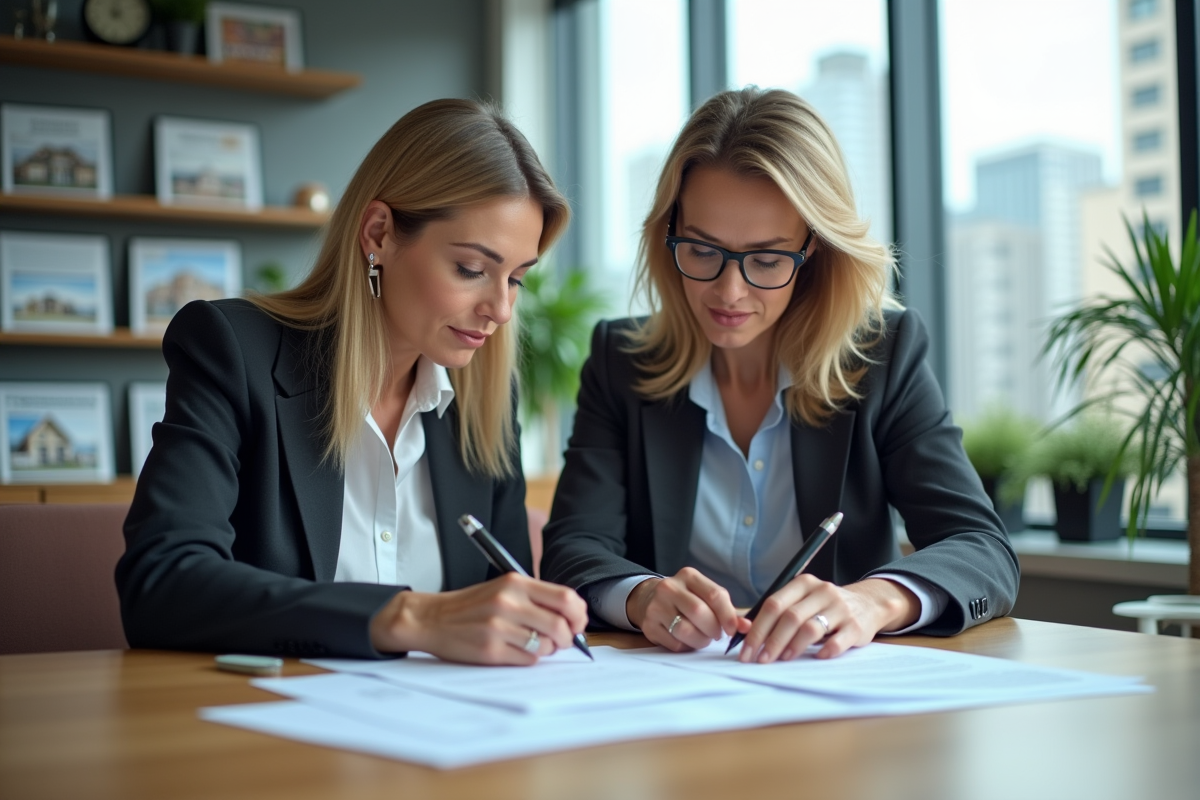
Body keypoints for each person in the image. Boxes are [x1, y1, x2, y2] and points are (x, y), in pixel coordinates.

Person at [540, 87, 1019, 663]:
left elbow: (982, 548)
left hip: (832, 700)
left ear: (813, 248)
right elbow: (574, 548)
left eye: (766, 259)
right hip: (669, 697)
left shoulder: (882, 358)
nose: (729, 291)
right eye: (701, 248)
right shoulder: (621, 361)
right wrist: (642, 596)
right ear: (669, 233)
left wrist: (872, 601)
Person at [117, 99, 588, 664]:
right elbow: (161, 584)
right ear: (380, 233)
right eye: (471, 269)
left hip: (455, 733)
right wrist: (408, 617)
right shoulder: (233, 350)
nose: (500, 309)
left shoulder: (485, 398)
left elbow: (505, 610)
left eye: (515, 279)